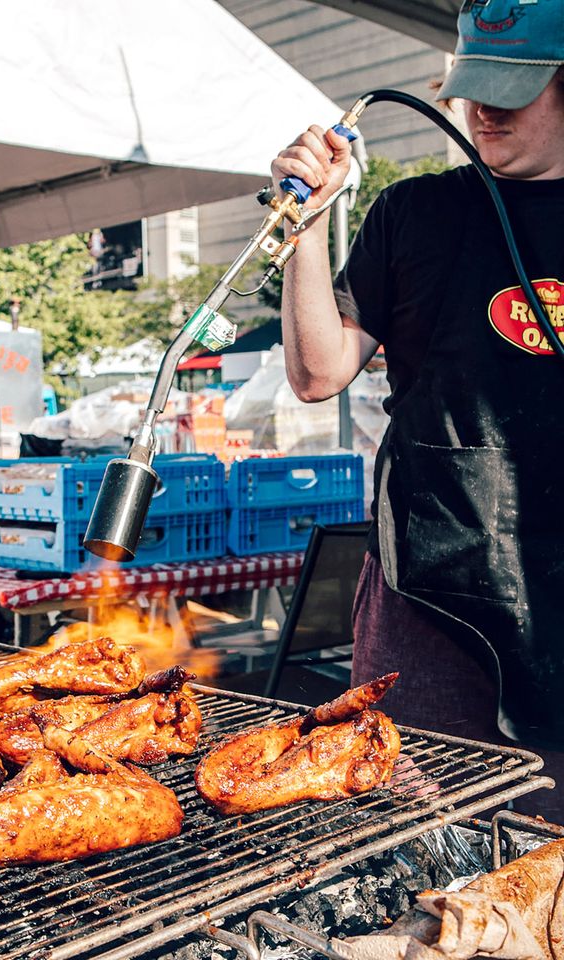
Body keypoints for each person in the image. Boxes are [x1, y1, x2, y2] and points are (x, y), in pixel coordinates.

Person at [271, 0, 564, 819]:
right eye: (475, 87)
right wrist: (309, 220)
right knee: (415, 823)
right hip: (426, 578)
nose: (485, 109)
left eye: (516, 88)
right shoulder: (414, 214)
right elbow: (317, 374)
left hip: (556, 587)